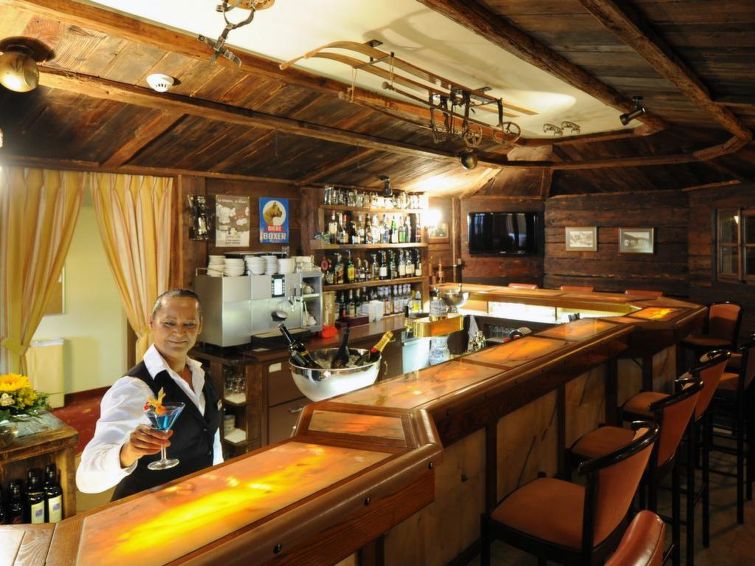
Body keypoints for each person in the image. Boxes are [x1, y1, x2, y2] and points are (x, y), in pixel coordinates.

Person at [76, 289, 222, 500]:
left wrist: (216, 479)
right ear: (151, 323)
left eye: (189, 324)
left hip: (194, 502)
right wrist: (128, 452)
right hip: (145, 506)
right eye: (169, 323)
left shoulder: (201, 375)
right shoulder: (133, 388)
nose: (179, 332)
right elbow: (86, 478)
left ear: (200, 326)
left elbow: (210, 440)